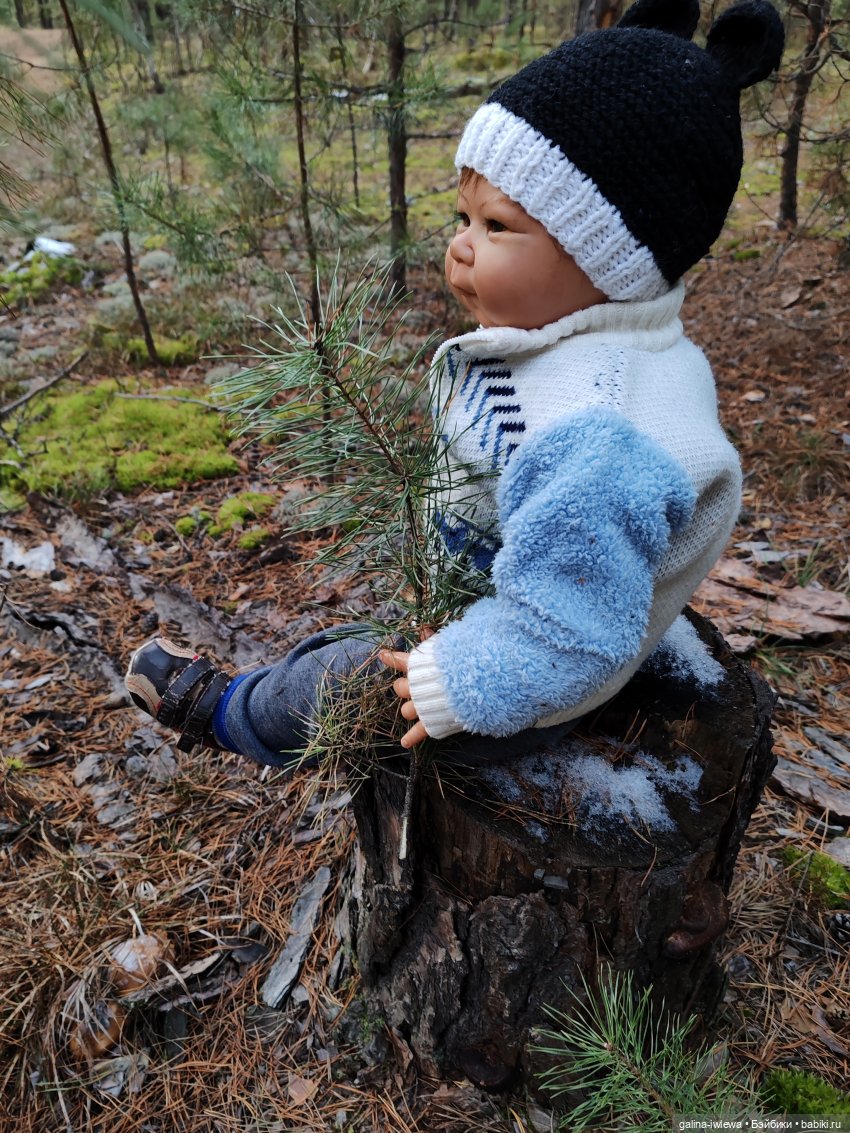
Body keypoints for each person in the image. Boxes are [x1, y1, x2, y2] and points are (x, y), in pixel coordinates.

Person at [125, 0, 783, 767]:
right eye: (462, 216)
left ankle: (231, 715)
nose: (460, 248)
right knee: (355, 645)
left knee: (340, 684)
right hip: (497, 595)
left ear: (611, 259)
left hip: (522, 674)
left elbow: (571, 631)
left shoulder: (600, 434)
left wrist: (461, 679)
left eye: (497, 227)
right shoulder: (576, 340)